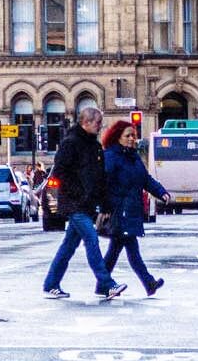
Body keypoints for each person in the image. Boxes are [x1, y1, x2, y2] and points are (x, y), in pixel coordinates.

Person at [42, 107, 127, 300]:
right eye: (97, 123)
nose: (100, 127)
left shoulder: (94, 146)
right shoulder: (70, 143)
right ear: (86, 122)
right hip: (74, 203)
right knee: (91, 239)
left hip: (86, 203)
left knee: (69, 246)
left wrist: (104, 204)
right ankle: (107, 283)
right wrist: (78, 194)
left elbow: (100, 177)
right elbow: (59, 172)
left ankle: (51, 284)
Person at [101, 121, 172, 297]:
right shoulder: (110, 156)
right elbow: (103, 182)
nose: (132, 138)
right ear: (118, 137)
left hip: (131, 209)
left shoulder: (133, 157)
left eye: (133, 135)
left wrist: (161, 192)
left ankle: (102, 284)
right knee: (131, 249)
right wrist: (104, 205)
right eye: (128, 135)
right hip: (119, 210)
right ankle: (148, 283)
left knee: (115, 250)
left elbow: (145, 179)